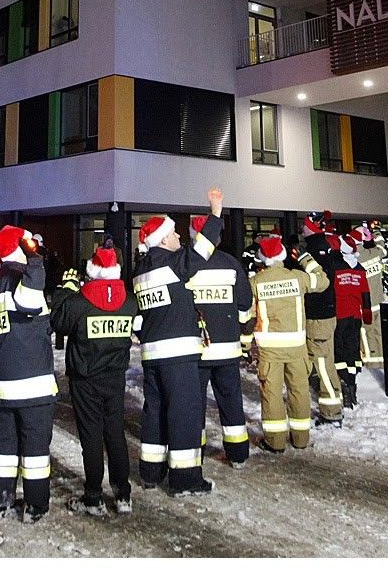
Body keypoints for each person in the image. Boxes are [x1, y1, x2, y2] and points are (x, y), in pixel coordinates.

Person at [130, 188, 223, 496]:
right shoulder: (171, 265)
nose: (179, 238)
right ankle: (185, 480)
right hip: (178, 356)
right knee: (183, 414)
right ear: (163, 240)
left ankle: (150, 472)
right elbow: (202, 248)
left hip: (153, 355)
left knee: (154, 412)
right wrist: (216, 211)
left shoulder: (142, 270)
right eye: (174, 235)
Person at [50, 247, 134, 516]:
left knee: (91, 437)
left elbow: (58, 321)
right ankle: (123, 494)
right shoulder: (128, 302)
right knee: (115, 434)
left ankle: (94, 496)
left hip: (85, 378)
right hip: (115, 377)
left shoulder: (79, 302)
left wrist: (66, 288)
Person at [0, 225, 57, 522]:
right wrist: (36, 260)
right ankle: (35, 505)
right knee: (35, 450)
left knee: (5, 448)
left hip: (6, 386)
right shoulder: (21, 279)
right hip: (33, 385)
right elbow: (29, 303)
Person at [249, 236, 326, 452]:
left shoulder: (256, 282)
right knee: (299, 391)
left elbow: (247, 313)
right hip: (297, 347)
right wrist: (305, 258)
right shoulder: (298, 278)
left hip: (269, 350)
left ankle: (275, 442)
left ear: (262, 259)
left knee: (271, 393)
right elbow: (322, 281)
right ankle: (301, 438)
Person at [188, 215, 254, 468]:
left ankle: (196, 449)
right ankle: (238, 453)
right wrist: (234, 329)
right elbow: (245, 305)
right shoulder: (231, 263)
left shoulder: (187, 265)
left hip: (198, 349)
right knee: (231, 401)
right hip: (227, 349)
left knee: (195, 404)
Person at [301, 212, 344, 424]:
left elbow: (319, 281)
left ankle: (332, 411)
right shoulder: (324, 245)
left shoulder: (312, 250)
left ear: (311, 227)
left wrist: (300, 259)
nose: (302, 227)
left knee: (322, 362)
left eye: (304, 225)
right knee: (322, 359)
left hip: (318, 315)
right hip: (326, 312)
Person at [334, 234, 369, 409]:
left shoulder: (337, 267)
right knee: (353, 349)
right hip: (356, 316)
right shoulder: (360, 269)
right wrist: (367, 310)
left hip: (340, 316)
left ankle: (345, 384)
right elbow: (365, 292)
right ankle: (352, 383)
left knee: (339, 350)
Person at [354, 223, 386, 366]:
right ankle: (381, 358)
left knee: (366, 334)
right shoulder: (375, 253)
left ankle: (369, 361)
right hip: (379, 302)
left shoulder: (354, 260)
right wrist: (377, 233)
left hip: (365, 305)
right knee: (379, 332)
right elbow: (382, 248)